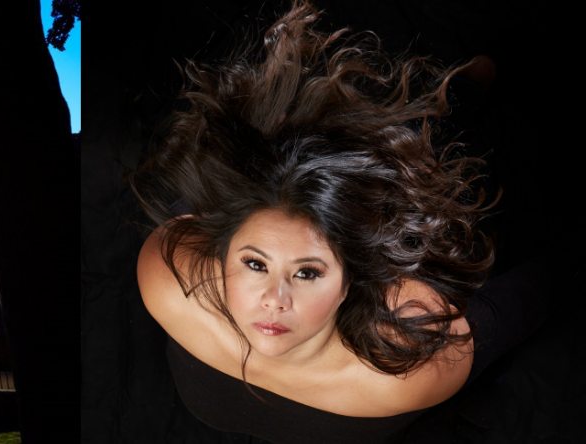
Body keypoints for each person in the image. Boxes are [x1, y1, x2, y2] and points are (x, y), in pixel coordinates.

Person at [127, 3, 542, 441]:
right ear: (223, 252)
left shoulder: (410, 365)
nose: (274, 300)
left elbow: (513, 305)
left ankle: (453, 103)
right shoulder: (171, 280)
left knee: (396, 188)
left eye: (307, 272)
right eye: (254, 263)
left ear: (352, 283)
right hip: (215, 400)